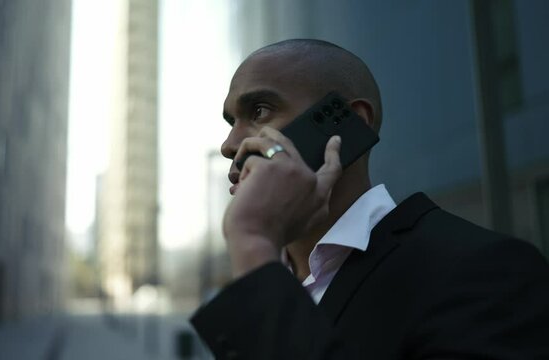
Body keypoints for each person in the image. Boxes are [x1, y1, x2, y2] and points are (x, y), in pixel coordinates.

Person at [189, 39, 549, 359]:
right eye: (231, 121)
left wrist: (253, 243)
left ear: (346, 123)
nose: (229, 145)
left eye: (260, 111)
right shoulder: (264, 279)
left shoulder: (485, 271)